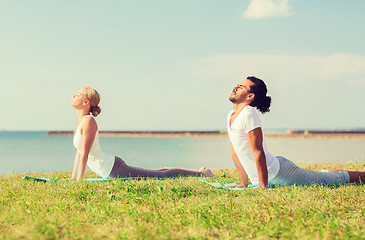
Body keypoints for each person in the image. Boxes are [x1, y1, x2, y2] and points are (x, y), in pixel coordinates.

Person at [227, 76, 365, 188]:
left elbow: (258, 152)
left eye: (241, 87)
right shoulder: (231, 116)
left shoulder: (248, 114)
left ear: (250, 96)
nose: (235, 87)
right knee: (322, 175)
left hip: (279, 173)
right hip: (269, 173)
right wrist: (243, 183)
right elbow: (235, 153)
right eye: (238, 85)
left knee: (332, 179)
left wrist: (263, 186)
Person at [69, 87, 214, 181]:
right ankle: (198, 172)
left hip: (114, 168)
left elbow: (85, 155)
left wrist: (79, 181)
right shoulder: (82, 121)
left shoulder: (89, 122)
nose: (74, 95)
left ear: (86, 102)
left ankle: (202, 174)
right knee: (158, 172)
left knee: (161, 176)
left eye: (78, 94)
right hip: (111, 168)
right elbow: (79, 152)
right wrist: (73, 178)